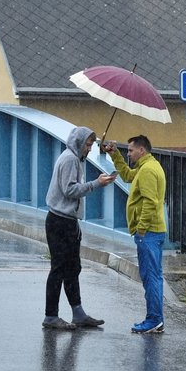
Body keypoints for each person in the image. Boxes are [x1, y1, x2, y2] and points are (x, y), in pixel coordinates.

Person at [43, 126, 117, 330]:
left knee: (73, 267)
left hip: (68, 220)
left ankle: (78, 313)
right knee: (59, 268)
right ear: (78, 142)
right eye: (87, 144)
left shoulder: (76, 159)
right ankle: (51, 316)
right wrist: (96, 184)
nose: (89, 149)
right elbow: (69, 190)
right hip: (60, 221)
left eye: (91, 144)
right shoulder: (69, 159)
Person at [103, 135, 167, 334]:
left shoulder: (147, 170)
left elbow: (150, 202)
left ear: (142, 150)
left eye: (130, 150)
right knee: (153, 276)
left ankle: (154, 319)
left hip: (149, 232)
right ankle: (156, 319)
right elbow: (128, 176)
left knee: (151, 277)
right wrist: (115, 156)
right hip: (153, 231)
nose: (128, 153)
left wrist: (141, 228)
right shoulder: (146, 166)